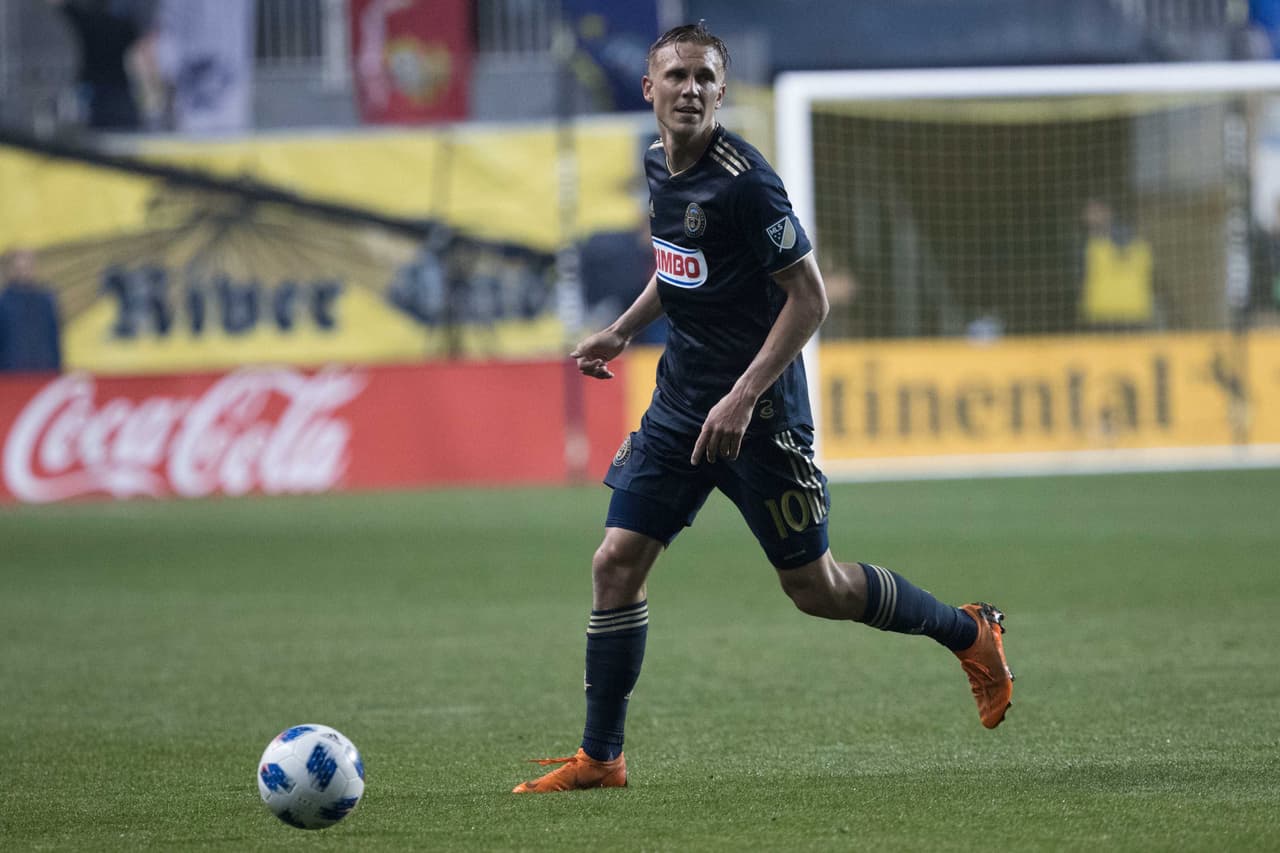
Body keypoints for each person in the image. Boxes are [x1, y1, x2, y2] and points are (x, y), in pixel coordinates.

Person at [512, 22, 1014, 795]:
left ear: (722, 89)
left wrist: (744, 395)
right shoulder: (656, 164)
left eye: (704, 77)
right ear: (649, 89)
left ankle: (969, 630)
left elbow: (809, 299)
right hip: (682, 403)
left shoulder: (748, 182)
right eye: (675, 75)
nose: (690, 89)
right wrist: (621, 329)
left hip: (761, 414)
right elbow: (679, 267)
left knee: (819, 589)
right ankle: (602, 756)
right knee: (615, 562)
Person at [0, 248, 62, 372]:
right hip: (12, 374)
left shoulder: (46, 300)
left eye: (28, 267)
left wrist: (57, 368)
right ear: (11, 270)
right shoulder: (3, 303)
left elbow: (53, 337)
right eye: (20, 268)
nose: (24, 272)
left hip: (44, 371)